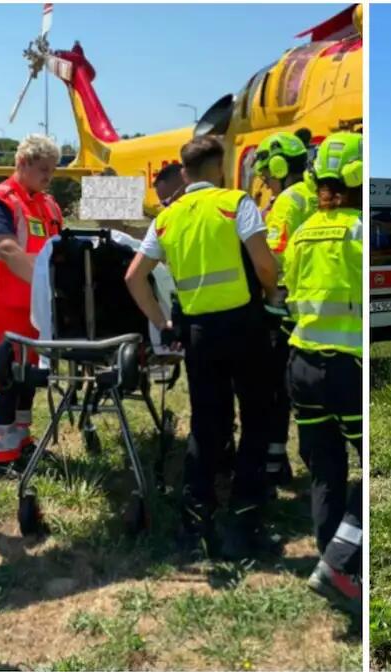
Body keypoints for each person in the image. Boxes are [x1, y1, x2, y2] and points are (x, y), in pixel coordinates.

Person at [125, 135, 280, 560]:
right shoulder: (235, 203)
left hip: (198, 334)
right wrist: (272, 292)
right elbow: (263, 263)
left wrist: (162, 322)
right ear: (218, 166)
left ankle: (194, 524)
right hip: (245, 327)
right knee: (256, 420)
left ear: (185, 172)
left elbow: (134, 277)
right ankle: (244, 523)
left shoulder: (168, 217)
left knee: (207, 425)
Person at [283, 131, 364, 615]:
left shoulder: (302, 232)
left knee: (325, 471)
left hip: (301, 366)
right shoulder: (358, 231)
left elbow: (290, 293)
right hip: (344, 369)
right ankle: (340, 564)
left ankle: (336, 572)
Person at [0, 135, 63, 478]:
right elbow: (8, 249)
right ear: (22, 163)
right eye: (43, 169)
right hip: (4, 304)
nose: (49, 177)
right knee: (6, 375)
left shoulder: (48, 204)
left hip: (36, 308)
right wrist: (46, 286)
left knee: (30, 375)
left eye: (52, 170)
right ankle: (3, 456)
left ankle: (22, 441)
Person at [257, 130, 318, 486]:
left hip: (285, 312)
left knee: (275, 391)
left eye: (267, 174)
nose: (265, 182)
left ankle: (274, 463)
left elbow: (272, 257)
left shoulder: (288, 202)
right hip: (320, 310)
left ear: (280, 167)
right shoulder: (318, 195)